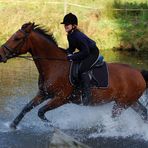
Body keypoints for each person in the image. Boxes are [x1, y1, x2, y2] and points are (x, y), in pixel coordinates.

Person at [61, 13, 99, 105]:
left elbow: (86, 52)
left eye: (67, 24)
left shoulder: (78, 35)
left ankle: (87, 95)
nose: (65, 26)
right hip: (85, 52)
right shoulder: (70, 35)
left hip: (92, 53)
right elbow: (72, 49)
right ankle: (76, 90)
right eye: (65, 24)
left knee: (82, 69)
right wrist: (62, 53)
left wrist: (72, 56)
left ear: (74, 25)